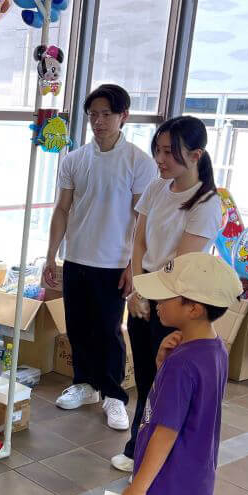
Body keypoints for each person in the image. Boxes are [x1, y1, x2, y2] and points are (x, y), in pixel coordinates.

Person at [117, 252, 241, 495]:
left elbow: (165, 431)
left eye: (166, 295)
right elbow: (186, 406)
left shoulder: (183, 364)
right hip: (195, 483)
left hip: (168, 486)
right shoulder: (213, 349)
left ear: (194, 308)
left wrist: (139, 487)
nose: (156, 302)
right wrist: (162, 362)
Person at [111, 116, 223, 474]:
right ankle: (137, 446)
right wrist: (138, 289)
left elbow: (183, 262)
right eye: (157, 150)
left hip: (175, 303)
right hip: (147, 294)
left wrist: (152, 294)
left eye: (168, 153)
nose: (159, 160)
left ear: (195, 155)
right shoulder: (159, 187)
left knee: (166, 382)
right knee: (144, 377)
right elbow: (139, 240)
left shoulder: (205, 202)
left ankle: (145, 452)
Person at [43, 84, 157, 430]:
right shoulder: (75, 159)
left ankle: (113, 395)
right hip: (77, 257)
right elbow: (62, 209)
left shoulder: (139, 161)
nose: (99, 121)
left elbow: (142, 219)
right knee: (77, 327)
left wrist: (132, 267)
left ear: (124, 116)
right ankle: (84, 383)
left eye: (107, 114)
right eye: (93, 114)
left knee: (108, 330)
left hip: (114, 263)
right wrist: (51, 256)